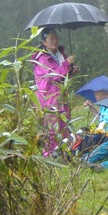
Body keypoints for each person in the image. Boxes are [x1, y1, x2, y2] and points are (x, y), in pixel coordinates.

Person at [32, 27, 78, 157]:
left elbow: (62, 75)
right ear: (44, 42)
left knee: (64, 124)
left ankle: (63, 152)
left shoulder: (60, 53)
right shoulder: (41, 58)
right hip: (49, 97)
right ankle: (49, 154)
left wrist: (71, 71)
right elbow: (52, 75)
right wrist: (66, 64)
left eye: (56, 38)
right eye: (51, 39)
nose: (55, 41)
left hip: (62, 95)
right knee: (52, 127)